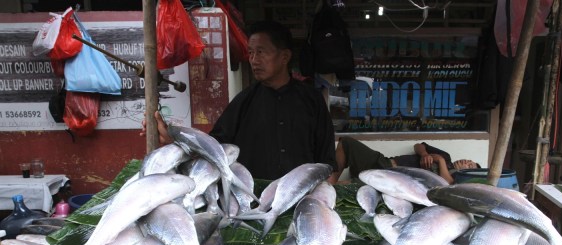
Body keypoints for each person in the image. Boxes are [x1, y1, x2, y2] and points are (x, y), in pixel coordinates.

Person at [142, 20, 337, 180]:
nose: (253, 59)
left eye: (261, 52)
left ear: (284, 56)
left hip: (301, 197)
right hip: (252, 202)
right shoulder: (244, 101)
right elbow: (214, 147)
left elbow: (327, 160)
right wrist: (175, 138)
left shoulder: (312, 101)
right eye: (251, 52)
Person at [328, 136, 480, 184]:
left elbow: (445, 183)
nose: (466, 161)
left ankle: (329, 186)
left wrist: (439, 160)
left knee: (352, 186)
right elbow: (418, 145)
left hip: (394, 181)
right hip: (386, 163)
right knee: (346, 143)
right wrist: (425, 154)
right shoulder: (447, 156)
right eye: (468, 159)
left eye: (470, 165)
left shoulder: (453, 180)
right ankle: (332, 180)